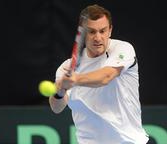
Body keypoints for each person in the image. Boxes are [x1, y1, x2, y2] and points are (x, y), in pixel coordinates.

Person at [49, 4, 149, 144]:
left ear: (110, 31)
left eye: (102, 31)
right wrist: (60, 91)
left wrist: (76, 79)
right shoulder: (66, 67)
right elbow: (56, 108)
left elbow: (106, 76)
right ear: (83, 33)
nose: (98, 37)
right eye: (92, 32)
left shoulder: (123, 49)